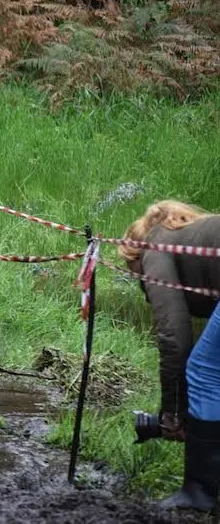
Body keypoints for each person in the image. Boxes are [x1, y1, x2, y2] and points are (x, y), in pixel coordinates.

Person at [119, 200, 220, 511]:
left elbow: (174, 338)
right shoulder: (189, 235)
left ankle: (199, 495)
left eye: (136, 275)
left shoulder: (153, 248)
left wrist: (171, 415)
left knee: (204, 371)